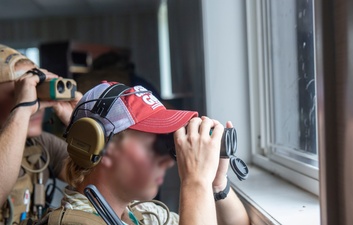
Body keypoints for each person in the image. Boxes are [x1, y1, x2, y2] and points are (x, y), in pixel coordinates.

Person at [36, 81, 249, 225]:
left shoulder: (141, 214)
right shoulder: (72, 222)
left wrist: (216, 185)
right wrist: (195, 182)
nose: (168, 161)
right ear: (101, 146)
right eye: (155, 145)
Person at [0, 44, 82, 224]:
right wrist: (22, 110)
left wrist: (82, 125)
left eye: (37, 92)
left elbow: (102, 186)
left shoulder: (40, 145)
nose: (35, 107)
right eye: (21, 93)